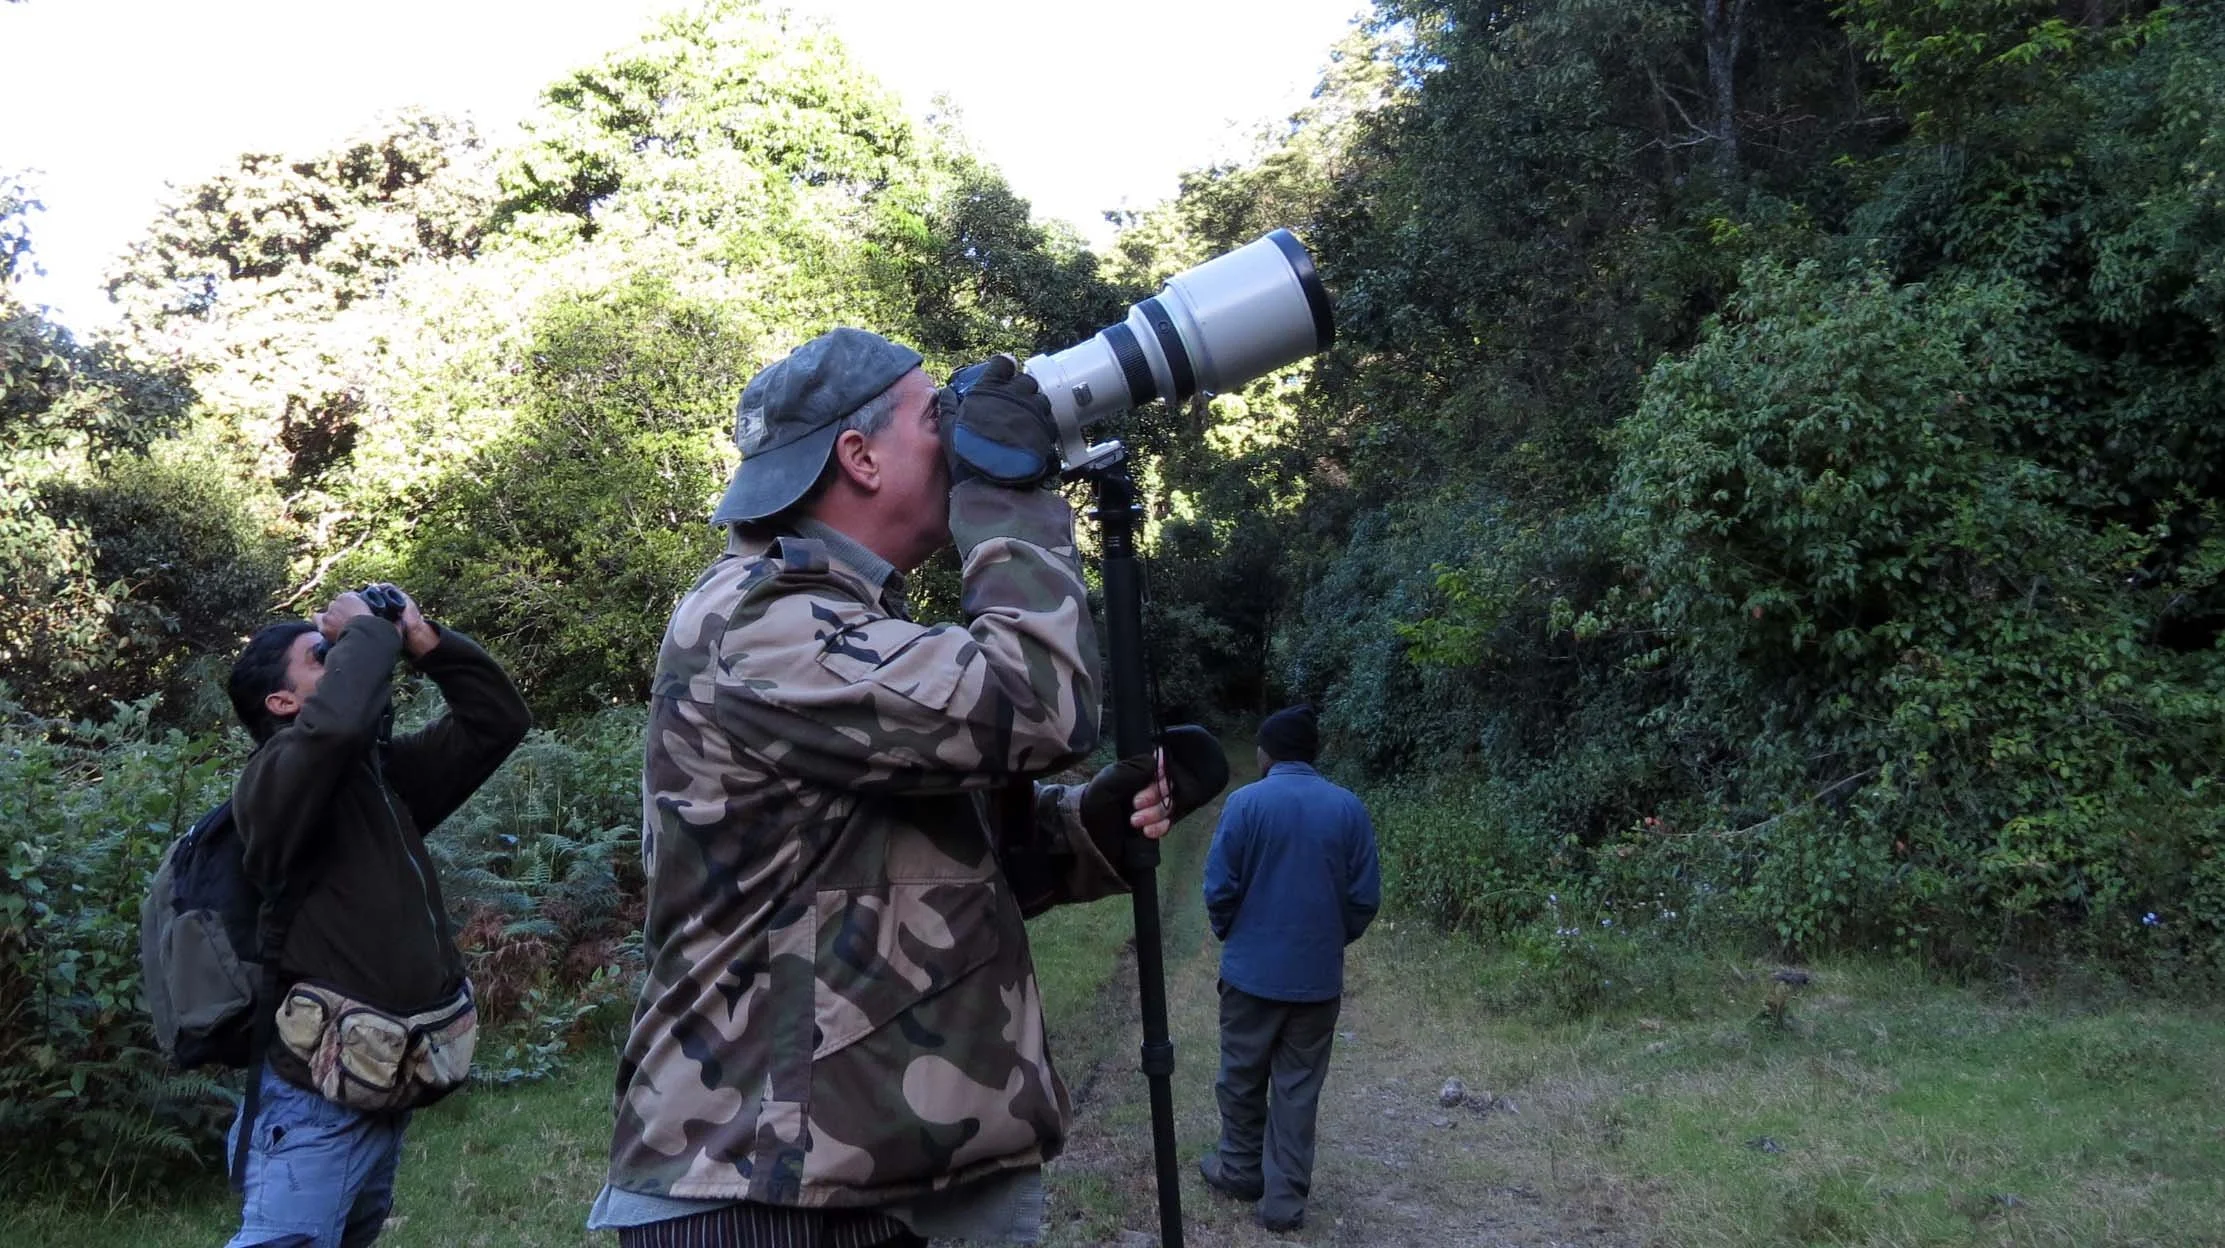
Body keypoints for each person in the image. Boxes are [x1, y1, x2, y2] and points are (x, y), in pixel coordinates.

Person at [595, 329, 1218, 1247]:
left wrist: (1086, 823)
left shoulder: (842, 621)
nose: (962, 435)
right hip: (768, 1192)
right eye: (942, 418)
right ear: (858, 457)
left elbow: (881, 868)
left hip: (861, 1167)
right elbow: (1037, 705)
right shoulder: (761, 623)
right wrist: (1008, 500)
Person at [222, 583, 532, 1247]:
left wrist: (430, 644)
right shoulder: (273, 782)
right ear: (282, 703)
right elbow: (332, 728)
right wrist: (363, 631)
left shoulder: (380, 781)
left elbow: (497, 721)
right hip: (312, 1099)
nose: (345, 655)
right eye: (322, 655)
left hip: (380, 1078)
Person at [1196, 703, 1380, 1233]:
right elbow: (1364, 897)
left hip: (1250, 976)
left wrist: (1236, 934)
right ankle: (1284, 1202)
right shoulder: (1349, 808)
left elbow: (1219, 888)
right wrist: (1327, 940)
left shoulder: (1245, 804)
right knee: (1298, 1089)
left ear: (1267, 752)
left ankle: (1238, 1169)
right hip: (1317, 982)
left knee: (1240, 1077)